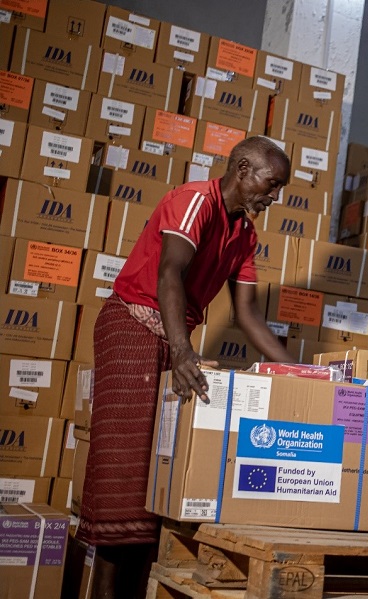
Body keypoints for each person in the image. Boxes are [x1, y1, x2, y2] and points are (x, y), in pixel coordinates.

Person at [76, 136, 296, 598]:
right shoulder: (195, 201)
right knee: (126, 480)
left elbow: (248, 315)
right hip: (133, 328)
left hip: (176, 338)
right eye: (271, 184)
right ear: (242, 168)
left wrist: (303, 375)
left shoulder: (245, 235)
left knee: (158, 480)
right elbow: (170, 272)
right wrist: (182, 351)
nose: (273, 197)